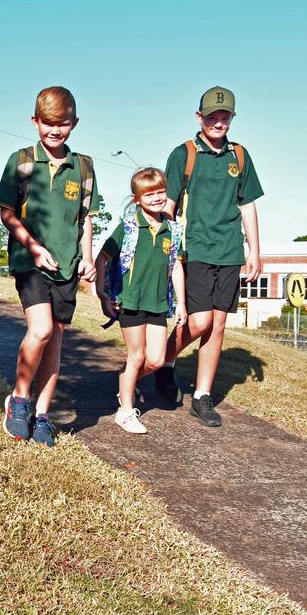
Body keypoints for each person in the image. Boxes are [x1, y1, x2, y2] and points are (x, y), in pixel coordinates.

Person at [0, 86, 100, 447]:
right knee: (39, 330)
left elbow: (85, 218)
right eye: (48, 123)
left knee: (55, 338)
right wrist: (34, 247)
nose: (55, 131)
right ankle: (19, 401)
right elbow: (7, 214)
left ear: (75, 123)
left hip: (68, 266)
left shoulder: (82, 167)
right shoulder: (21, 161)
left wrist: (87, 258)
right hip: (30, 261)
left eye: (63, 124)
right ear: (35, 121)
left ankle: (42, 413)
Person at [153, 86, 263, 427]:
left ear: (231, 118)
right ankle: (165, 362)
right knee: (198, 322)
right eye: (212, 116)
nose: (218, 122)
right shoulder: (183, 154)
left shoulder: (240, 156)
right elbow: (168, 204)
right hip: (195, 249)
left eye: (225, 117)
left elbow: (247, 204)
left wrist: (255, 250)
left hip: (230, 251)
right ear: (199, 116)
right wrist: (164, 248)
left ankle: (202, 396)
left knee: (217, 325)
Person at [95, 168, 187, 434]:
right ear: (137, 199)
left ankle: (125, 381)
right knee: (136, 356)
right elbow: (103, 257)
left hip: (158, 303)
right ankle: (125, 412)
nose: (157, 198)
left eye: (161, 192)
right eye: (149, 194)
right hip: (130, 301)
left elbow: (177, 267)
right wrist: (102, 293)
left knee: (157, 360)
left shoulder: (173, 230)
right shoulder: (129, 227)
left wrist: (181, 302)